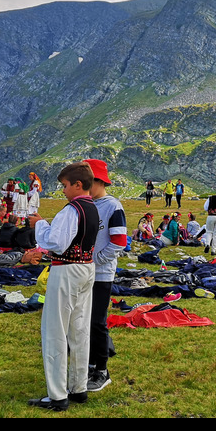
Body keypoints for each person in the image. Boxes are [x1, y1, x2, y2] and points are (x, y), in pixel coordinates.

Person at [27, 162, 101, 411]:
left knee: (55, 331)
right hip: (87, 268)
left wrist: (39, 223)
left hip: (67, 269)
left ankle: (57, 395)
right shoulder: (92, 207)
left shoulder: (73, 209)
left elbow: (56, 243)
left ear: (78, 185)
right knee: (79, 329)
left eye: (65, 186)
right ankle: (78, 387)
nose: (63, 191)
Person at [82, 158, 126, 393]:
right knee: (84, 320)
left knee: (97, 322)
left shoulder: (113, 206)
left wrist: (94, 261)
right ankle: (89, 365)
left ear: (97, 181)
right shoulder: (86, 204)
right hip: (84, 271)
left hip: (101, 273)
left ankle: (102, 371)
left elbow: (119, 242)